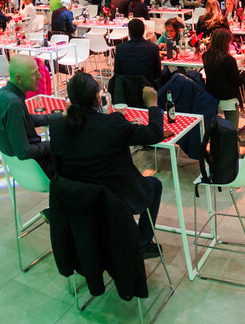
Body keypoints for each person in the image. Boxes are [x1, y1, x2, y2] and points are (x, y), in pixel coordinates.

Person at [49, 72, 165, 257]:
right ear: (97, 97)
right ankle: (142, 241)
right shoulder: (113, 124)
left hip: (78, 199)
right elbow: (155, 134)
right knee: (154, 185)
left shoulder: (56, 128)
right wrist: (152, 105)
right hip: (115, 198)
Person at [0, 54, 57, 176]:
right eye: (34, 74)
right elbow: (24, 152)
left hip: (20, 165)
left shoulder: (3, 93)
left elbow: (27, 119)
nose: (40, 76)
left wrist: (60, 116)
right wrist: (52, 145)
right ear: (19, 78)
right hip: (34, 168)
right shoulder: (13, 103)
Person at [203, 28, 245, 121]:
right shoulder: (229, 60)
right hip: (228, 98)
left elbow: (220, 69)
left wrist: (238, 64)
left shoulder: (206, 56)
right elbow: (238, 81)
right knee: (232, 129)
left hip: (212, 95)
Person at [114, 18, 163, 87]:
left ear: (129, 32)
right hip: (148, 88)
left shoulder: (120, 48)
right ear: (143, 31)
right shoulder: (153, 48)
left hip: (127, 89)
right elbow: (157, 74)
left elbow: (117, 73)